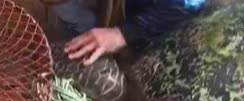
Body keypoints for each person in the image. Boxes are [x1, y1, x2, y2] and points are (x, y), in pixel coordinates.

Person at [48, 0, 208, 66]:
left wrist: (122, 35)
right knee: (60, 13)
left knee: (110, 85)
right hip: (125, 7)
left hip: (156, 31)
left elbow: (189, 5)